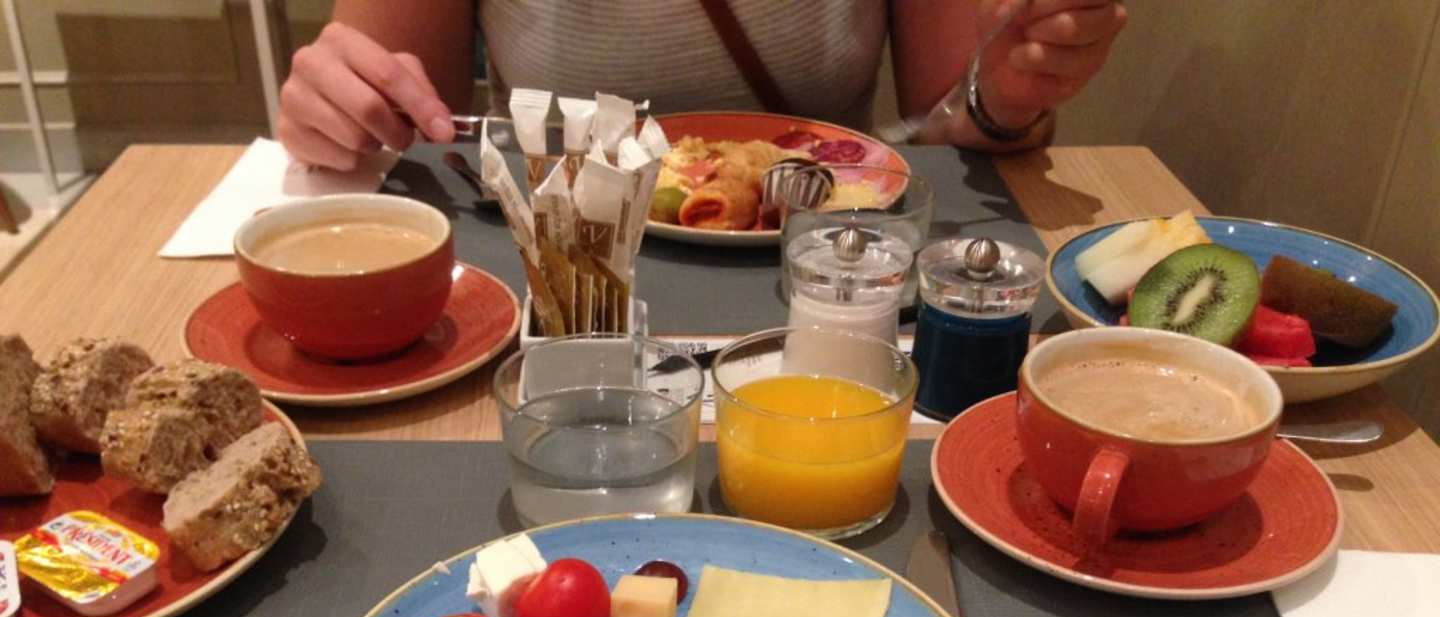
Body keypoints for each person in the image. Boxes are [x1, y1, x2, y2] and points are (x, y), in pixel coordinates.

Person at [277, 0, 1127, 172]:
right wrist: (337, 106)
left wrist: (1006, 99)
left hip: (823, 262)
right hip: (553, 262)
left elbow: (948, 126)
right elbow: (400, 121)